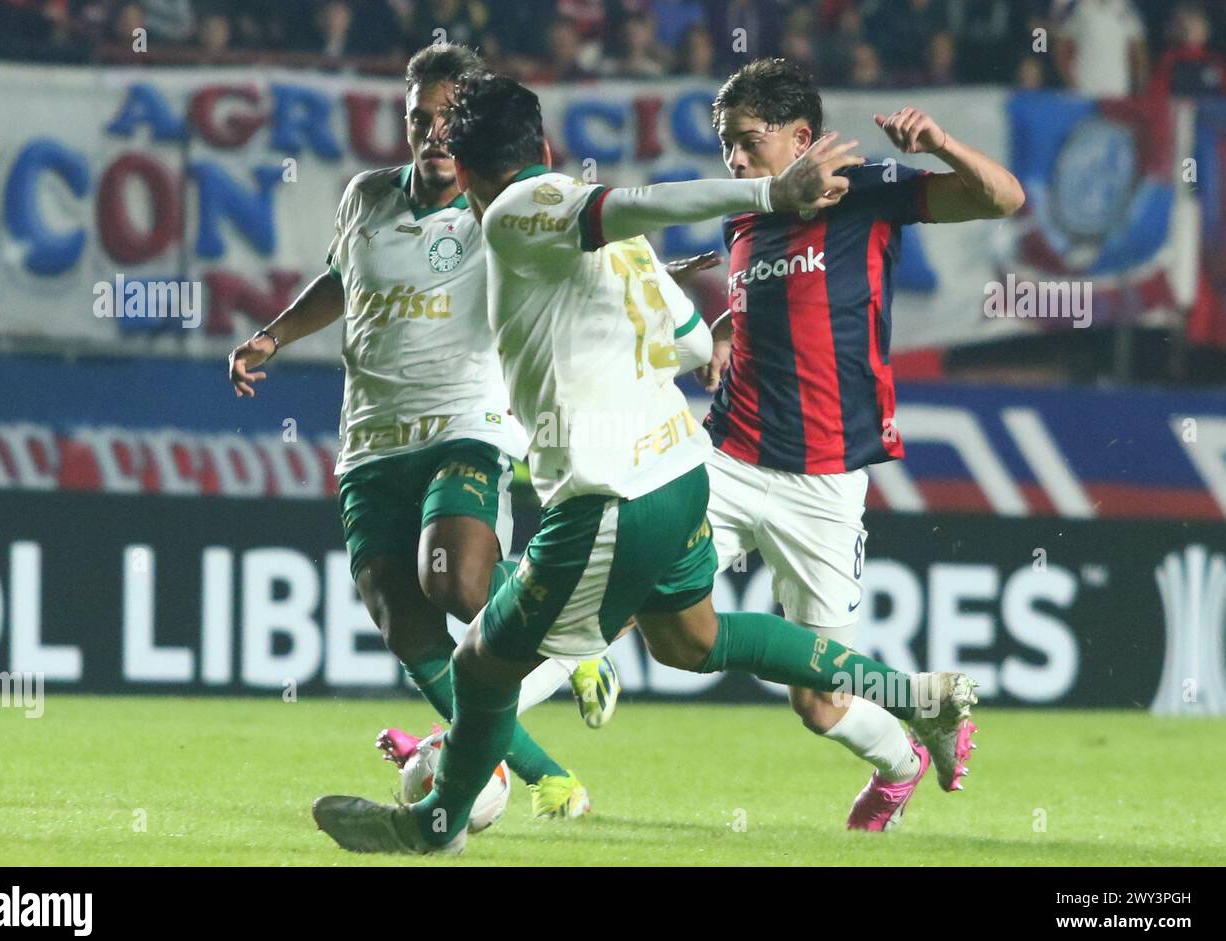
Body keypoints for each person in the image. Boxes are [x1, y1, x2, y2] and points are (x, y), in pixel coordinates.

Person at [310, 72, 980, 856]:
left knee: (484, 665)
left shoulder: (525, 211)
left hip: (610, 496)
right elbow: (696, 342)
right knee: (691, 641)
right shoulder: (608, 244)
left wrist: (773, 197)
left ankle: (432, 825)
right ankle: (912, 696)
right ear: (548, 146)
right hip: (678, 476)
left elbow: (628, 204)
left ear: (469, 170)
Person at [228, 45, 619, 823]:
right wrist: (273, 335)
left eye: (448, 120)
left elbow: (588, 243)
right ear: (404, 124)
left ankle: (574, 637)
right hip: (370, 440)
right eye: (419, 119)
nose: (433, 134)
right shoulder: (366, 197)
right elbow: (344, 278)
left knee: (459, 585)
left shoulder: (500, 206)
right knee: (403, 620)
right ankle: (544, 775)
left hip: (465, 424)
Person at [695, 57, 1022, 830]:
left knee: (817, 701)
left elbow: (1003, 198)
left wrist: (940, 143)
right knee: (640, 591)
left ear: (802, 136)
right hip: (730, 458)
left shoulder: (864, 192)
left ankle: (906, 757)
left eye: (747, 141)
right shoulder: (742, 211)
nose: (734, 160)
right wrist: (720, 329)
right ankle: (480, 752)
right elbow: (765, 300)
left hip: (825, 478)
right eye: (724, 144)